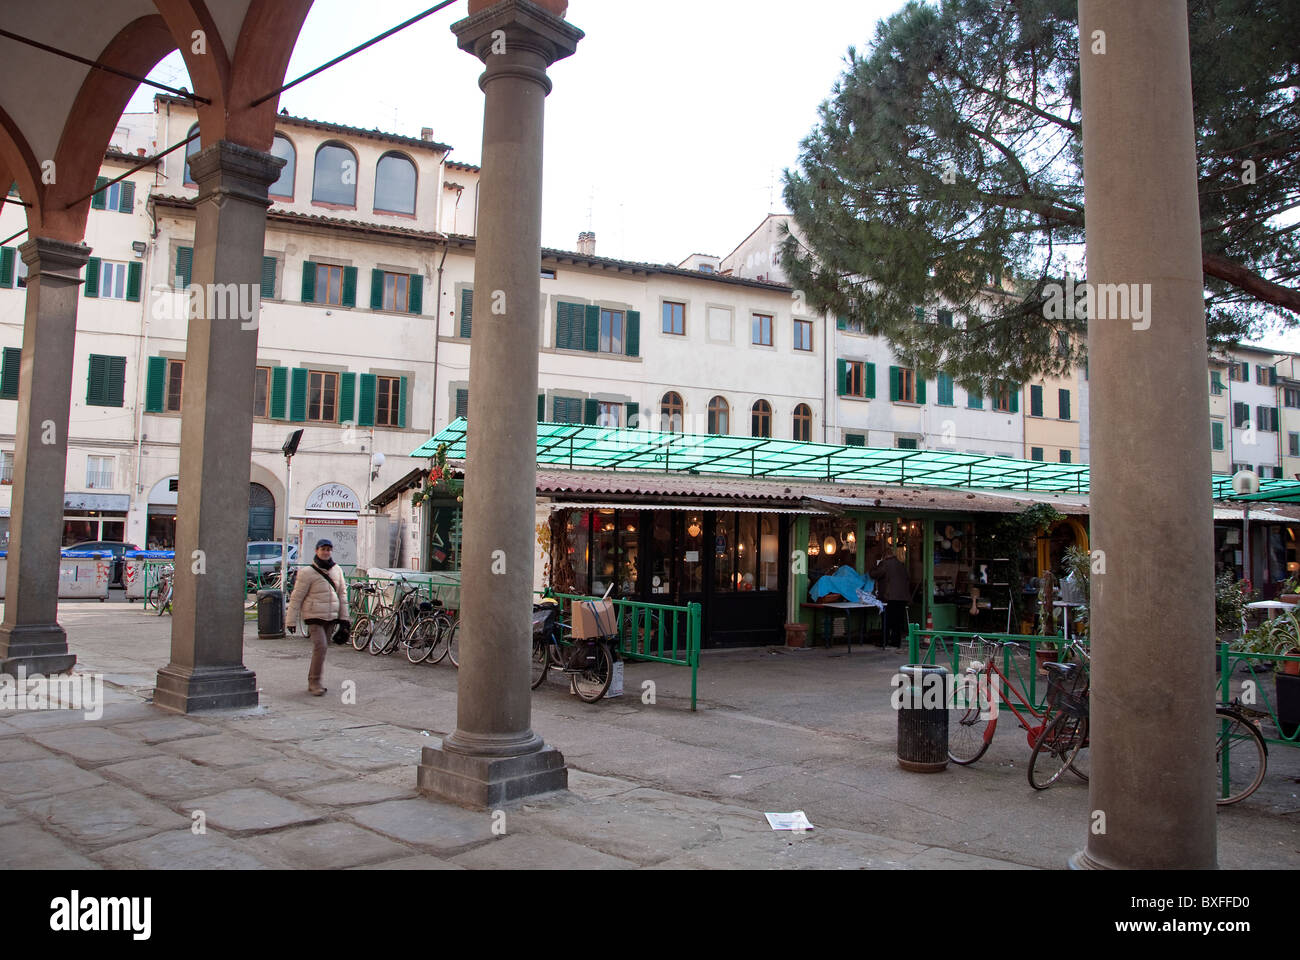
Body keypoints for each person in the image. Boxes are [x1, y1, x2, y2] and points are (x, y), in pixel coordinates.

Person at [285, 538, 349, 696]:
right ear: (316, 551)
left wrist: (345, 620)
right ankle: (314, 682)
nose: (326, 552)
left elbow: (342, 595)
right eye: (323, 549)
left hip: (331, 616)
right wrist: (291, 620)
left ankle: (315, 680)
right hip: (314, 615)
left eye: (328, 549)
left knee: (323, 648)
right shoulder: (307, 572)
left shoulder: (337, 570)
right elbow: (297, 597)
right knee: (321, 646)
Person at [871, 546, 912, 649]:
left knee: (887, 620)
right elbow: (908, 578)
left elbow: (874, 574)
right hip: (902, 597)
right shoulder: (901, 565)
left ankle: (884, 641)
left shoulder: (885, 564)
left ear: (885, 555)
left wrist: (873, 567)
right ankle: (896, 642)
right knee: (897, 622)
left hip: (889, 597)